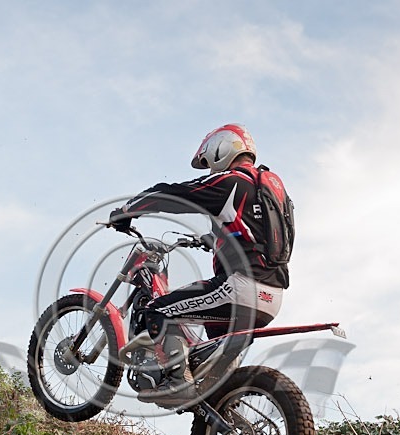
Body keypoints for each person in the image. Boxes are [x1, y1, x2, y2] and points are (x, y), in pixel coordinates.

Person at [109, 123, 293, 405]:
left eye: (209, 162)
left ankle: (176, 381)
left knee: (158, 309)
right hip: (272, 298)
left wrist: (128, 210)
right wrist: (217, 238)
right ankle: (220, 398)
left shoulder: (231, 181)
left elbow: (172, 194)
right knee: (209, 352)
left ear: (222, 147)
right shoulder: (273, 192)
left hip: (239, 287)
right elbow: (257, 232)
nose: (210, 171)